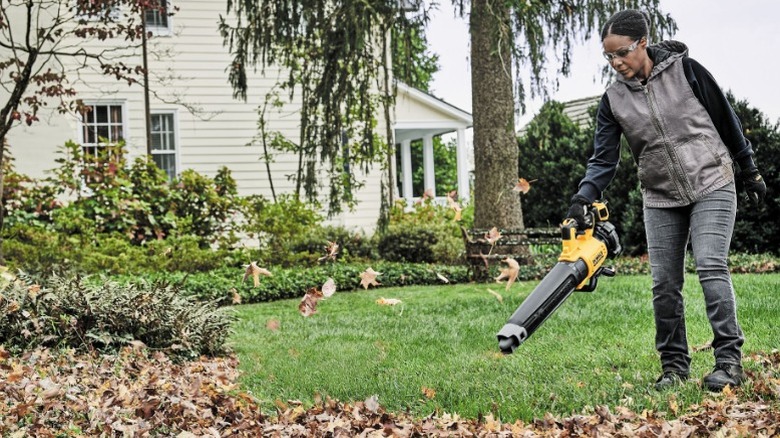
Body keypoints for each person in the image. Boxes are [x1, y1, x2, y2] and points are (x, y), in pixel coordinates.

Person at [565, 9, 767, 392]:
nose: (616, 62)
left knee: (709, 264)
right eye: (608, 56)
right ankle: (674, 367)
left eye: (622, 52)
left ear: (642, 42)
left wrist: (749, 168)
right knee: (664, 283)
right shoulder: (613, 100)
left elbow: (727, 119)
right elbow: (604, 160)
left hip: (712, 180)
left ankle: (728, 362)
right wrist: (583, 196)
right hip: (659, 195)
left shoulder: (687, 71)